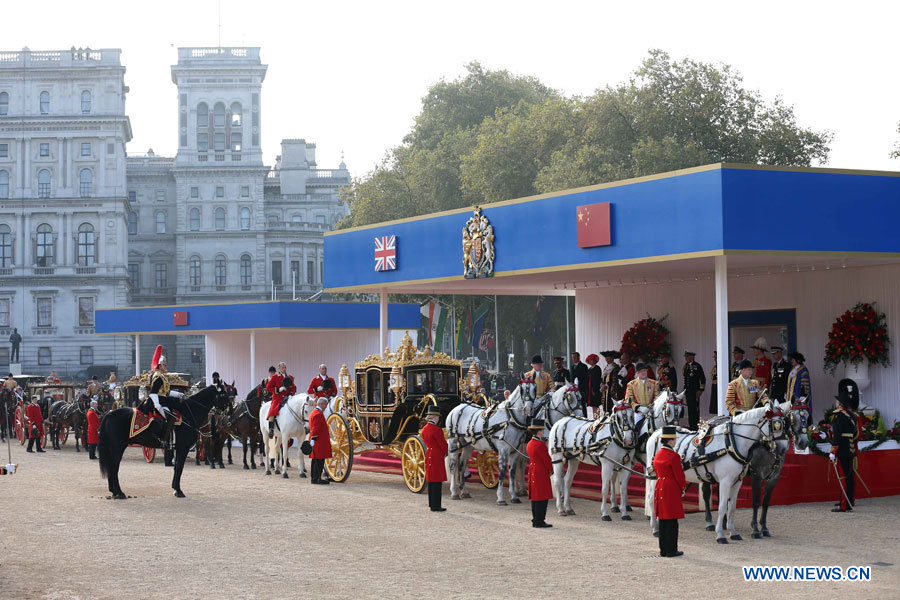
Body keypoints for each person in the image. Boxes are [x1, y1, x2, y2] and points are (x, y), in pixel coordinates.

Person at [653, 425, 686, 557]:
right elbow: (679, 476)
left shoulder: (658, 455)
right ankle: (672, 550)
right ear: (670, 440)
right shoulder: (674, 456)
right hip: (671, 488)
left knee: (663, 521)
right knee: (672, 521)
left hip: (660, 485)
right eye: (674, 439)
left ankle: (663, 549)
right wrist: (682, 488)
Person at [830, 379, 860, 513]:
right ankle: (849, 501)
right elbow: (856, 434)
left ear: (839, 404)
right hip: (851, 448)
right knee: (850, 477)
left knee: (843, 477)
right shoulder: (853, 416)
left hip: (841, 450)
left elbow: (836, 436)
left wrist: (833, 450)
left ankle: (844, 505)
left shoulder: (838, 416)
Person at [147, 346, 183, 449]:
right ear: (159, 365)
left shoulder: (162, 376)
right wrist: (157, 405)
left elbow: (166, 391)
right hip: (158, 402)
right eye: (163, 365)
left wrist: (178, 394)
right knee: (171, 418)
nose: (165, 366)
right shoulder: (158, 376)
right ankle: (164, 440)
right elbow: (153, 392)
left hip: (164, 400)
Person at [526, 417, 553, 528]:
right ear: (538, 431)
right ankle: (540, 520)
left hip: (533, 470)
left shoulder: (531, 443)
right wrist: (551, 469)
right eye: (542, 430)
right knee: (542, 498)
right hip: (540, 472)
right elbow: (547, 460)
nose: (543, 432)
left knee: (535, 498)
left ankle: (536, 519)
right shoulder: (540, 445)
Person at [422, 406, 448, 512]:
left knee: (431, 482)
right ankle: (436, 505)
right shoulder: (437, 430)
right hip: (437, 456)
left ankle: (432, 504)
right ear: (435, 418)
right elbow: (443, 445)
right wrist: (447, 451)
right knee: (437, 482)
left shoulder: (424, 429)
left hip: (429, 454)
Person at [266, 362, 296, 437]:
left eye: (285, 367)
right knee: (273, 410)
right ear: (279, 368)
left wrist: (291, 393)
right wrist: (278, 390)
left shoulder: (290, 377)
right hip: (278, 397)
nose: (284, 369)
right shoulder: (275, 377)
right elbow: (268, 387)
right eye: (282, 367)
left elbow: (294, 387)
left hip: (287, 397)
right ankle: (271, 429)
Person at [308, 396, 332, 485]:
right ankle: (317, 478)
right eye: (325, 405)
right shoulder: (318, 414)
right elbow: (316, 428)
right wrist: (313, 438)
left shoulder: (314, 412)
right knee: (319, 461)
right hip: (319, 441)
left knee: (315, 460)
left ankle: (314, 478)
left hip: (317, 440)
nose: (326, 407)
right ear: (321, 404)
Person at [785, 351, 812, 421]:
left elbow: (805, 386)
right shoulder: (793, 370)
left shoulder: (803, 370)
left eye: (793, 359)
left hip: (798, 400)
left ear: (798, 360)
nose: (792, 361)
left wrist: (802, 398)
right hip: (790, 400)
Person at [682, 351, 706, 428]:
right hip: (688, 391)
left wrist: (701, 390)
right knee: (689, 409)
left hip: (695, 392)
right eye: (685, 357)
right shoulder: (685, 366)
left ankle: (695, 426)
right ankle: (691, 426)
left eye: (687, 357)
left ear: (692, 357)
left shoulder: (697, 366)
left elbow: (702, 379)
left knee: (695, 409)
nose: (686, 358)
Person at [585, 354, 603, 418]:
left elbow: (597, 379)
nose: (590, 361)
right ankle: (593, 416)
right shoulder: (589, 369)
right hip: (589, 387)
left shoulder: (597, 368)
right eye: (589, 360)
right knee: (592, 404)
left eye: (592, 360)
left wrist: (595, 389)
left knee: (596, 403)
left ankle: (597, 416)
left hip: (595, 387)